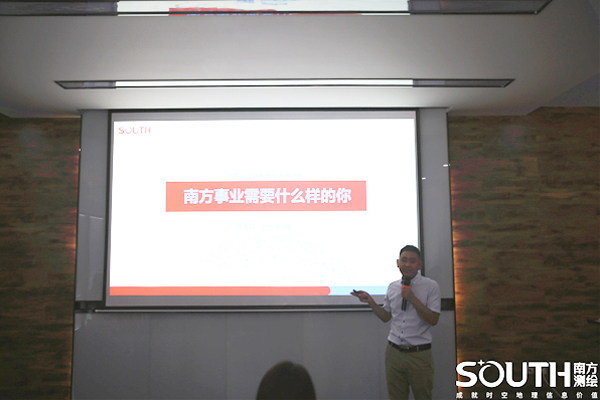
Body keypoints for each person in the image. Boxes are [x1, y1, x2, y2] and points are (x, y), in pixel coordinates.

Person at [351, 245, 441, 400]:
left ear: (420, 265)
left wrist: (412, 298)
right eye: (404, 260)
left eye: (412, 261)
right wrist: (371, 301)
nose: (407, 264)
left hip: (419, 354)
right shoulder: (392, 287)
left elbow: (433, 319)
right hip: (394, 353)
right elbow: (386, 316)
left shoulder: (431, 286)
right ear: (397, 263)